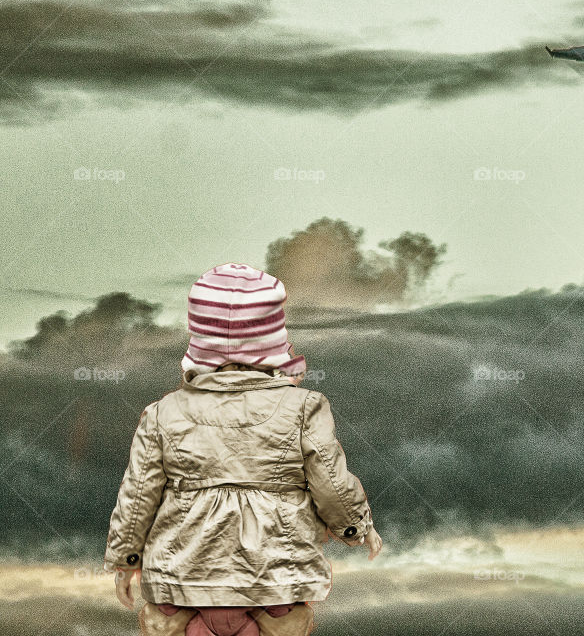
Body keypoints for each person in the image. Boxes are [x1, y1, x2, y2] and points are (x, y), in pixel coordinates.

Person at [103, 263, 382, 636]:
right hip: (274, 588)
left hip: (183, 588)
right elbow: (330, 482)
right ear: (274, 338)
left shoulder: (162, 413)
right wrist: (356, 527)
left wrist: (126, 559)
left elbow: (138, 496)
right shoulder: (304, 407)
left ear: (198, 338)